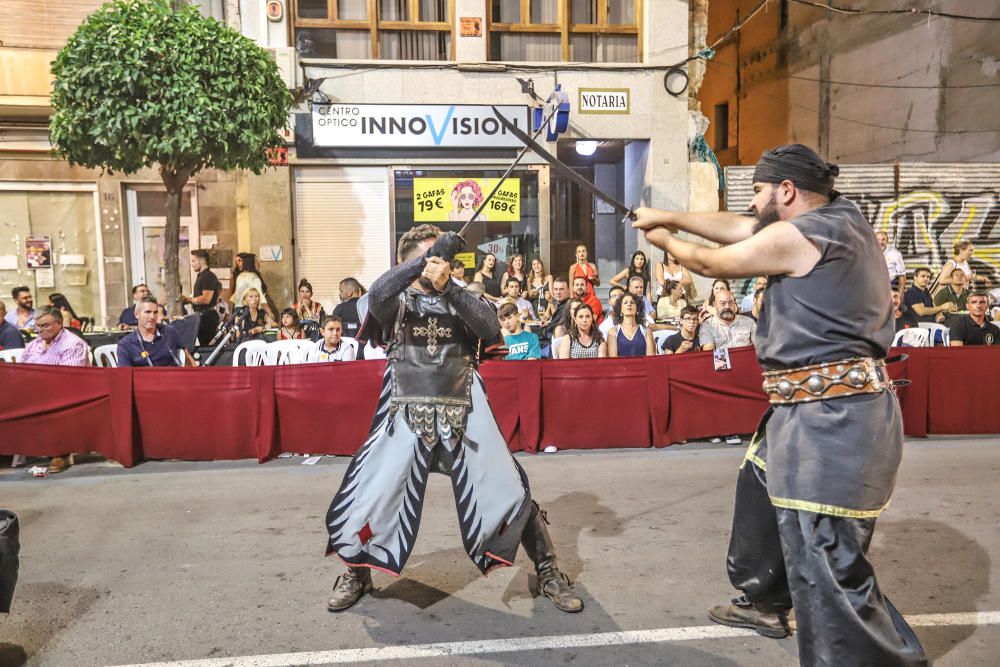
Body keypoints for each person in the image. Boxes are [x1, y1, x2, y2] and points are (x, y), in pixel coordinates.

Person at [634, 143, 927, 666]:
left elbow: (715, 259)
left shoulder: (809, 235)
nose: (755, 202)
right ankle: (767, 602)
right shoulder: (835, 216)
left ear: (786, 191)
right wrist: (667, 215)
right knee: (760, 488)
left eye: (761, 191)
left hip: (835, 422)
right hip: (808, 416)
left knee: (828, 559)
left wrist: (667, 242)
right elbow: (740, 227)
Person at [324, 224, 582, 615]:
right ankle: (357, 573)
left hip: (464, 409)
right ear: (407, 262)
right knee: (372, 491)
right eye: (427, 259)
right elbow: (375, 294)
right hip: (404, 411)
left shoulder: (461, 297)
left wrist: (450, 287)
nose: (436, 266)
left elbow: (490, 326)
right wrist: (419, 267)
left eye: (439, 258)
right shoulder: (394, 299)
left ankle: (548, 572)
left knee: (507, 489)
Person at [21, 306, 90, 474]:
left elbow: (70, 379)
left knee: (55, 404)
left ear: (59, 323)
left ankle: (60, 453)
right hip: (32, 392)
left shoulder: (72, 344)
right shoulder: (33, 345)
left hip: (63, 394)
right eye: (38, 326)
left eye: (45, 325)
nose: (40, 330)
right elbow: (21, 371)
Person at [116, 297, 184, 367]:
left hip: (172, 376)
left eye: (155, 312)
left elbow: (188, 359)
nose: (152, 316)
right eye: (148, 312)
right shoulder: (126, 344)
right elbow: (125, 375)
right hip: (143, 377)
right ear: (137, 314)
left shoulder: (169, 332)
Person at [181, 249, 222, 346]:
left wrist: (188, 299)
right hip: (202, 316)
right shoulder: (201, 276)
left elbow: (206, 299)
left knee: (208, 346)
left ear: (201, 261)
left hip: (207, 317)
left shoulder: (207, 276)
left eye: (193, 261)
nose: (192, 264)